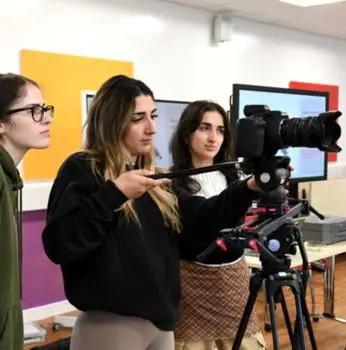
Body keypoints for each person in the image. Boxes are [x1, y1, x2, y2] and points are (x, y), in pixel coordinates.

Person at [41, 75, 261, 350]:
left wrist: (248, 188)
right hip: (111, 327)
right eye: (138, 119)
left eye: (153, 116)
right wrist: (113, 195)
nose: (151, 128)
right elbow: (60, 244)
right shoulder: (83, 169)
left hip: (161, 326)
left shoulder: (154, 180)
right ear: (113, 121)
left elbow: (199, 222)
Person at [170, 100, 266, 350]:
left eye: (220, 130)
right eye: (205, 128)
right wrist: (247, 189)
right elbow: (206, 217)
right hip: (193, 288)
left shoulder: (233, 175)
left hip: (234, 282)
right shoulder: (173, 182)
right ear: (186, 133)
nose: (214, 137)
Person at [0, 73, 54, 350]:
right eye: (34, 111)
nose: (47, 118)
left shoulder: (8, 179)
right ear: (2, 122)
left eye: (45, 109)